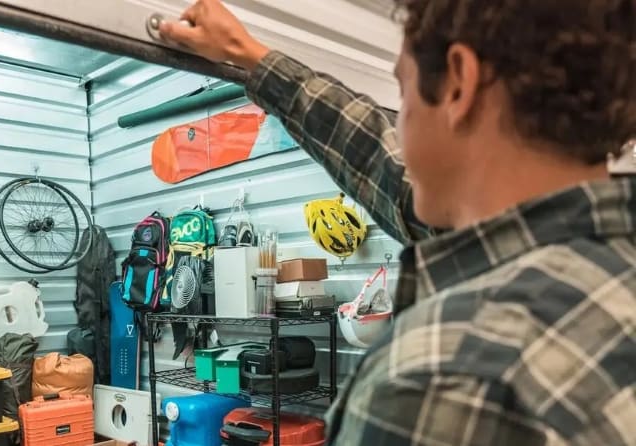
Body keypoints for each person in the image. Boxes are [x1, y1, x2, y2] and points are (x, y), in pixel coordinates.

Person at [160, 1, 636, 445]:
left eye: (403, 93)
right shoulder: (611, 267)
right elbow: (379, 161)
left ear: (458, 83)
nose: (400, 129)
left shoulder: (440, 382)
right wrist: (253, 58)